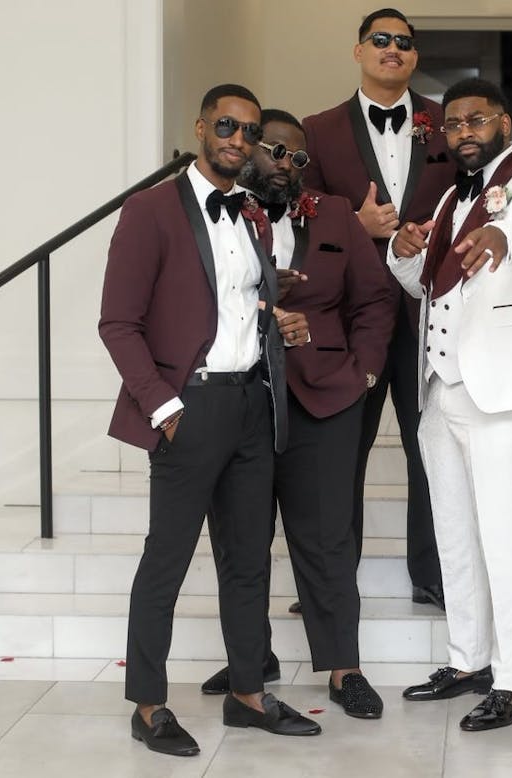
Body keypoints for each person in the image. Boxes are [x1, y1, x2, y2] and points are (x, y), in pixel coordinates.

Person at [99, 84, 320, 756]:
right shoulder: (150, 210)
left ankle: (248, 695)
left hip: (252, 405)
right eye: (227, 124)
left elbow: (235, 306)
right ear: (201, 127)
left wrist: (275, 326)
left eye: (249, 130)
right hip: (187, 407)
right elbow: (118, 323)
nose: (237, 138)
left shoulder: (254, 214)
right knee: (165, 561)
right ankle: (148, 705)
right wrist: (164, 407)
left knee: (249, 560)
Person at [197, 109, 396, 718]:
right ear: (249, 148)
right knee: (241, 539)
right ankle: (252, 659)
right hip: (239, 398)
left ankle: (343, 668)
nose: (284, 163)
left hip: (324, 397)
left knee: (328, 538)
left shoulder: (335, 214)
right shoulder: (216, 215)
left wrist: (362, 372)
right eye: (273, 150)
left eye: (297, 158)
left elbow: (375, 298)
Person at [389, 77, 512, 732]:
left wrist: (503, 239)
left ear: (502, 120)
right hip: (440, 388)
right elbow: (423, 284)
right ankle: (467, 660)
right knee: (454, 535)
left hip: (501, 388)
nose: (464, 131)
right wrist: (401, 250)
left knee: (502, 534)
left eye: (476, 120)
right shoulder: (446, 198)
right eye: (454, 124)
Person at [302, 8, 455, 609]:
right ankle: (333, 577)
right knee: (342, 453)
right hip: (348, 317)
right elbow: (295, 209)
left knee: (431, 448)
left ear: (415, 57)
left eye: (405, 42)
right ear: (359, 51)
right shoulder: (317, 129)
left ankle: (434, 573)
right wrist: (353, 222)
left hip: (427, 315)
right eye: (381, 40)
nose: (394, 49)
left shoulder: (446, 124)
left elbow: (474, 195)